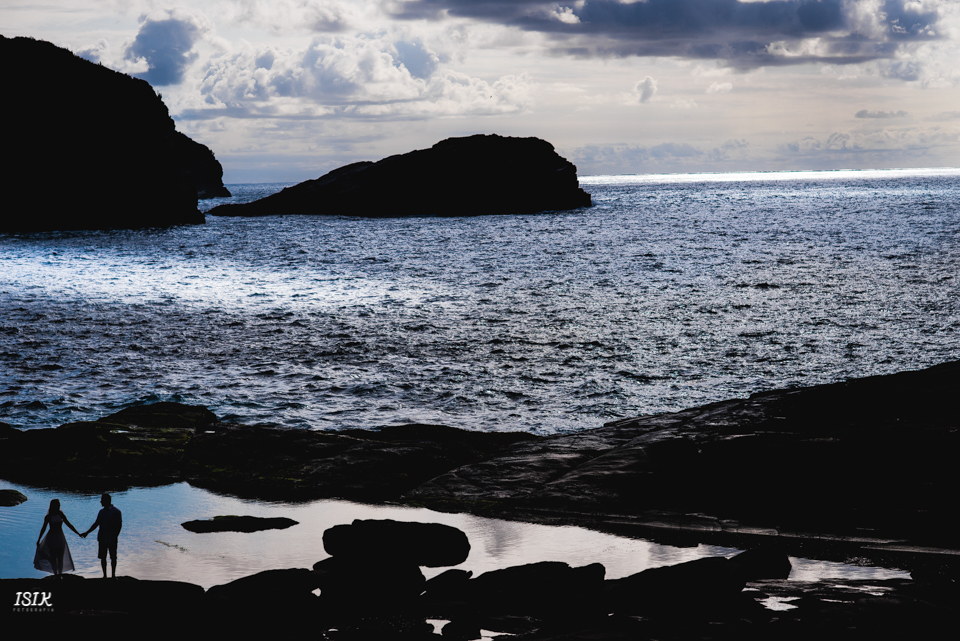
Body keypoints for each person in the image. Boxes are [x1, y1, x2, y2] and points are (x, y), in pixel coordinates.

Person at [35, 498, 81, 577]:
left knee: (60, 557)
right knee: (53, 557)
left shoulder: (61, 514)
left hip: (60, 537)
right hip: (51, 538)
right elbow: (43, 528)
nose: (59, 507)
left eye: (59, 505)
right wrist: (39, 539)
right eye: (57, 505)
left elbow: (69, 524)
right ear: (53, 506)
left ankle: (60, 574)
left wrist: (78, 533)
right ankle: (56, 574)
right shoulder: (48, 516)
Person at [81, 493, 123, 579]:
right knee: (103, 557)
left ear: (106, 501)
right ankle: (104, 576)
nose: (100, 501)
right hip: (102, 538)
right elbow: (96, 523)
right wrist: (87, 532)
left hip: (112, 538)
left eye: (102, 500)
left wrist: (115, 535)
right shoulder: (101, 512)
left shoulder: (116, 511)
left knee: (113, 557)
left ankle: (113, 576)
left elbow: (119, 525)